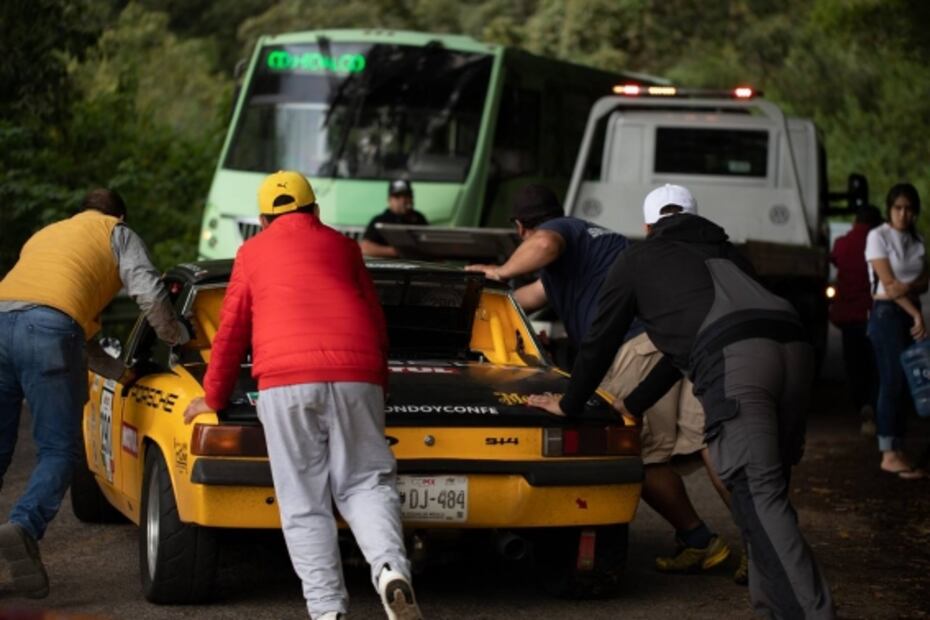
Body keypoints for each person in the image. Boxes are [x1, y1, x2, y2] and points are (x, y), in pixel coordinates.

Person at [528, 184, 835, 619]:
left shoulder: (638, 259)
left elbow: (599, 342)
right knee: (766, 497)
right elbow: (683, 353)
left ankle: (813, 612)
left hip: (740, 360)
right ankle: (774, 607)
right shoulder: (728, 254)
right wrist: (635, 404)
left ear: (648, 226)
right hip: (794, 349)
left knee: (759, 495)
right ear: (694, 217)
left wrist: (569, 403)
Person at [183, 171, 421, 620]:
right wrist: (378, 388)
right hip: (356, 374)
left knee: (303, 501)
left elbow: (231, 332)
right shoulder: (344, 247)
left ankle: (328, 611)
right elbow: (375, 322)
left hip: (285, 381)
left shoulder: (251, 253)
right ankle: (390, 569)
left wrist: (214, 397)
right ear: (316, 210)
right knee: (366, 483)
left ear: (262, 220)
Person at [466, 184, 735, 577]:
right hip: (677, 343)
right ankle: (764, 546)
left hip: (635, 350)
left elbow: (544, 243)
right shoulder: (589, 247)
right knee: (713, 442)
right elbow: (527, 298)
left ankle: (700, 541)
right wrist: (474, 302)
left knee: (633, 449)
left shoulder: (561, 233)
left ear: (521, 228)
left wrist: (500, 271)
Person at [0, 188, 190, 598]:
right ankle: (24, 526)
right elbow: (148, 295)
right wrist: (179, 338)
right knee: (59, 450)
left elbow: (71, 334)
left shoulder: (48, 234)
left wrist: (120, 374)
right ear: (120, 216)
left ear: (81, 212)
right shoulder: (117, 233)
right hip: (48, 331)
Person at [865, 183, 928, 480]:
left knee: (909, 381)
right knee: (891, 381)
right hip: (887, 314)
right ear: (889, 209)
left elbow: (925, 281)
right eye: (897, 208)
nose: (903, 214)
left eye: (908, 209)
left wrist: (910, 287)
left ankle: (898, 447)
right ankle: (888, 451)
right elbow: (888, 285)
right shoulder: (878, 236)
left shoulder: (917, 240)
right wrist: (915, 312)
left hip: (908, 313)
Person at [830, 205, 883, 435]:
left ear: (856, 220)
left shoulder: (842, 243)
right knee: (875, 365)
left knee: (854, 365)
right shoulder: (880, 242)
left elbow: (834, 260)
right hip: (874, 314)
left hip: (849, 316)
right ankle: (873, 405)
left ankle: (862, 406)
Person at [360, 179, 428, 258]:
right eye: (397, 197)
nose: (403, 200)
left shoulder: (419, 218)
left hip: (418, 264)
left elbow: (430, 244)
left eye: (407, 196)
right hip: (389, 265)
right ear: (389, 200)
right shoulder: (380, 220)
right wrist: (397, 252)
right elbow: (365, 248)